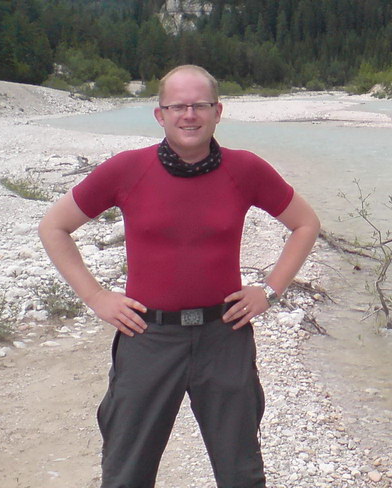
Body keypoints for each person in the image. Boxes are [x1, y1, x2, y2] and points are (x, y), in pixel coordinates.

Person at [38, 64, 320, 488]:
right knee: (126, 472)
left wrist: (269, 290)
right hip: (146, 337)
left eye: (199, 105)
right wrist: (97, 297)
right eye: (178, 106)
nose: (189, 115)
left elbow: (306, 224)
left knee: (241, 473)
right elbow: (53, 227)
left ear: (218, 111)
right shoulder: (127, 169)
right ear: (160, 114)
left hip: (224, 336)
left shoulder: (246, 170)